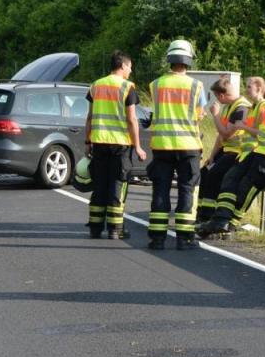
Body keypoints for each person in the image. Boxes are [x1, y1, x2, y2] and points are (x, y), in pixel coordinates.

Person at [198, 62, 265, 238]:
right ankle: (219, 220)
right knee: (230, 177)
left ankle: (229, 224)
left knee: (245, 187)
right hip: (258, 150)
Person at [147, 39, 206, 250]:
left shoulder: (156, 85)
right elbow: (199, 116)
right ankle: (184, 238)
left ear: (170, 59)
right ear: (188, 60)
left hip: (162, 145)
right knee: (187, 189)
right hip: (189, 145)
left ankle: (157, 238)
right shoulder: (196, 86)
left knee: (160, 190)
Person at [84, 51, 147, 239]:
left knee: (100, 185)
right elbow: (132, 119)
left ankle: (95, 227)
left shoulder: (96, 86)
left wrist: (87, 142)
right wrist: (137, 146)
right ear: (122, 66)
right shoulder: (127, 87)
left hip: (99, 143)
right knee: (118, 185)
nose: (131, 70)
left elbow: (90, 117)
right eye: (129, 66)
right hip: (120, 145)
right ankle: (115, 229)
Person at [196, 78, 251, 223]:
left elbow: (227, 134)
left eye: (216, 97)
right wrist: (212, 156)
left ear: (221, 95)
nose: (217, 101)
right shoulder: (228, 107)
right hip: (226, 150)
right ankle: (201, 212)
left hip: (237, 152)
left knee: (214, 175)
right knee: (205, 172)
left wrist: (215, 115)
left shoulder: (241, 108)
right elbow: (220, 136)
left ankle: (208, 216)